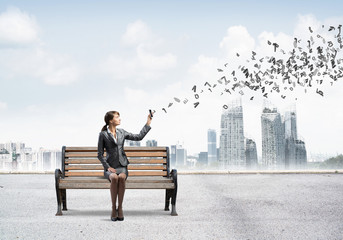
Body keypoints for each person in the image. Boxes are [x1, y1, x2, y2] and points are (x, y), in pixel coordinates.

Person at [97, 111, 152, 221]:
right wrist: (107, 167)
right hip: (110, 167)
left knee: (121, 177)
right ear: (111, 120)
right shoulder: (103, 135)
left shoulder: (122, 132)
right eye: (117, 117)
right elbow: (99, 154)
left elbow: (138, 137)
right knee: (114, 177)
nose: (120, 119)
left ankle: (120, 208)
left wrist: (148, 123)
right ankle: (113, 208)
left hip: (122, 166)